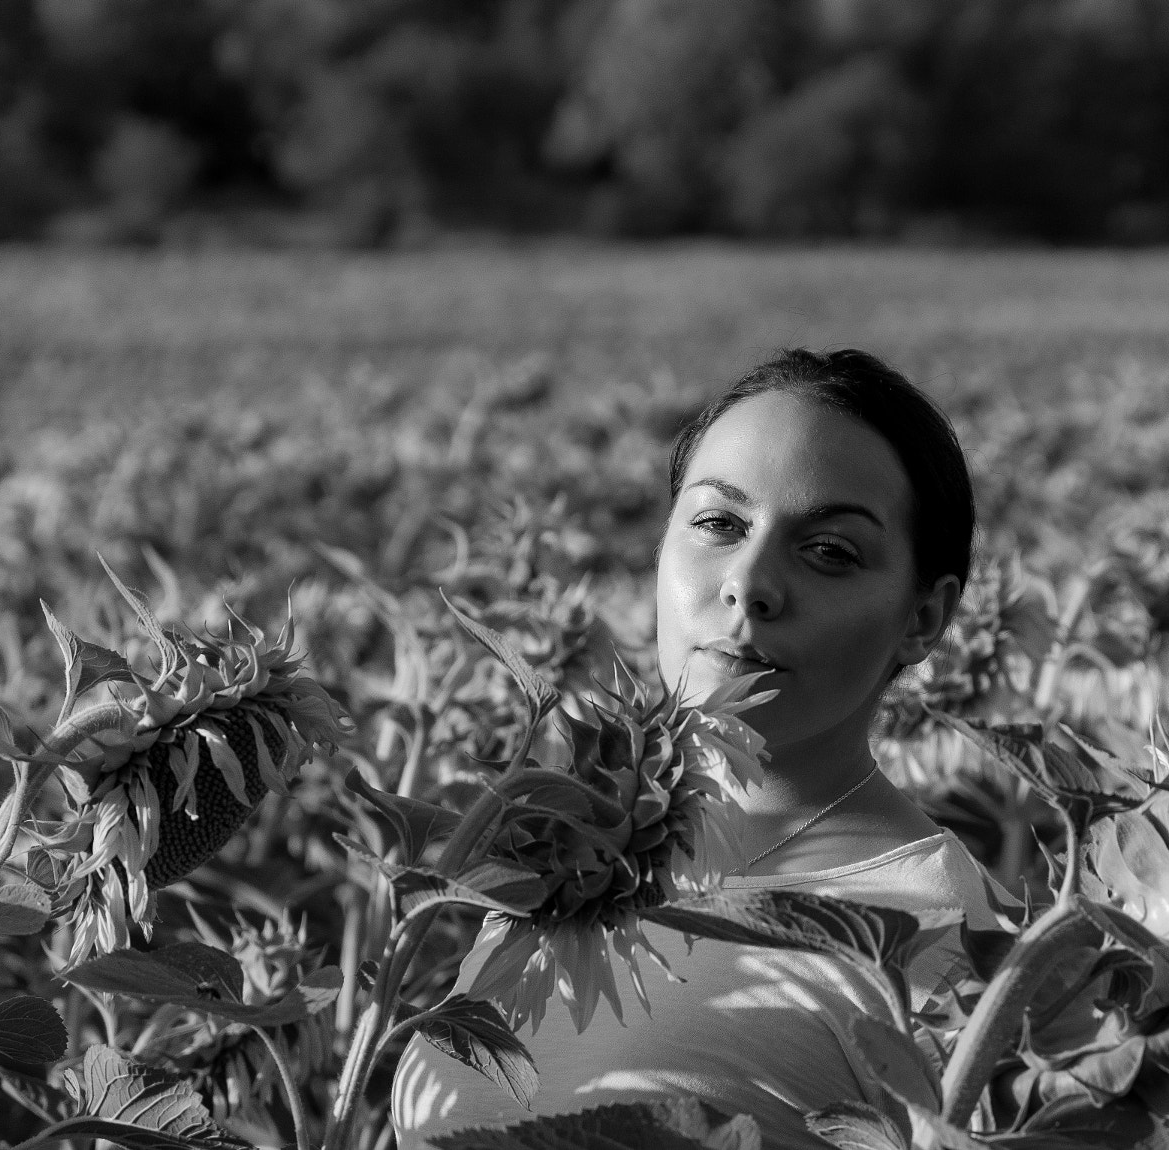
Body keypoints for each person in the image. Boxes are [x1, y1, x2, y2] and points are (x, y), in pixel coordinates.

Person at [393, 348, 1007, 1149]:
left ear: (924, 618)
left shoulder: (939, 935)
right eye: (720, 523)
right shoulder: (563, 846)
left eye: (830, 551)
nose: (749, 582)